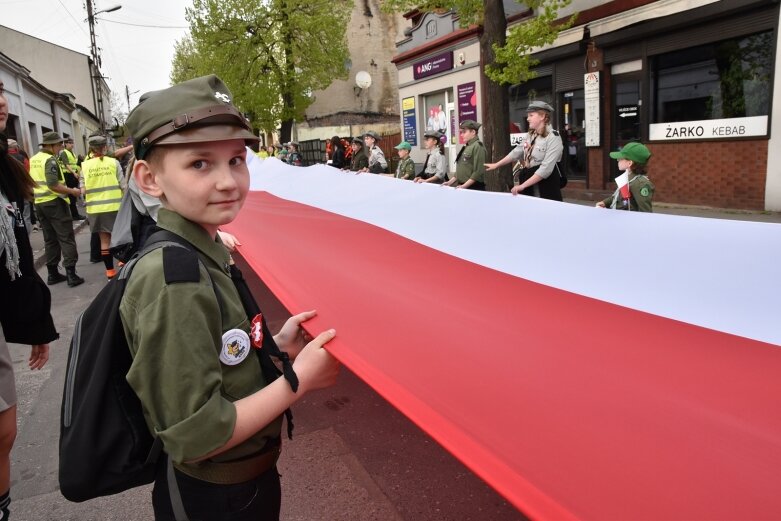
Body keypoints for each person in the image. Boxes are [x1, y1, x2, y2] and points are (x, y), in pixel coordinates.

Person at [122, 74, 340, 520]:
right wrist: (297, 382)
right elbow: (197, 435)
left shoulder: (203, 249)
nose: (228, 181)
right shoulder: (173, 279)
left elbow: (214, 352)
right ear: (150, 178)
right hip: (215, 498)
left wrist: (275, 345)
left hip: (243, 484)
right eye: (199, 164)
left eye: (237, 160)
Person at [0, 77, 57, 521]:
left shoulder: (8, 166)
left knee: (4, 434)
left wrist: (35, 323)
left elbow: (16, 254)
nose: (2, 103)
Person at [29, 131, 84, 287]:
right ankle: (71, 274)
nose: (61, 147)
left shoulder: (34, 159)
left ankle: (52, 274)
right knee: (66, 237)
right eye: (59, 144)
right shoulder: (50, 160)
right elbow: (53, 184)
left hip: (40, 203)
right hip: (55, 203)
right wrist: (72, 191)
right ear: (50, 145)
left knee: (50, 239)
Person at [485, 100, 564, 201]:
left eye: (531, 115)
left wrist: (522, 186)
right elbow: (516, 152)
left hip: (546, 185)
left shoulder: (553, 137)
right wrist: (497, 164)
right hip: (529, 181)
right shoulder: (530, 135)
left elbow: (546, 169)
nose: (527, 119)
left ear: (542, 116)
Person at [80, 134, 123, 278]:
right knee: (119, 237)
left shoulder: (85, 165)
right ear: (105, 147)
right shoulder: (113, 162)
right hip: (115, 206)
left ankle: (110, 272)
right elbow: (123, 185)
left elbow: (83, 189)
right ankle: (123, 262)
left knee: (104, 241)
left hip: (95, 209)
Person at [596, 142, 654, 212]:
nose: (617, 160)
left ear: (629, 163)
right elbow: (619, 197)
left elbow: (645, 212)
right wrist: (605, 203)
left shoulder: (640, 184)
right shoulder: (628, 177)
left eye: (621, 158)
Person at [444, 120, 486, 190]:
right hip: (463, 186)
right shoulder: (467, 146)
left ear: (473, 132)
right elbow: (461, 169)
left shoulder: (478, 146)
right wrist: (449, 182)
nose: (461, 135)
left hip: (473, 187)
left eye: (464, 132)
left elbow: (478, 171)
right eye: (461, 132)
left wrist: (464, 186)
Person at [58, 138, 84, 221]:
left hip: (72, 176)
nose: (72, 144)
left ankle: (74, 214)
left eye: (72, 143)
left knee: (73, 196)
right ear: (66, 144)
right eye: (70, 143)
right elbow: (66, 165)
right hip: (68, 175)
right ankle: (74, 215)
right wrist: (74, 173)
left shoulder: (72, 153)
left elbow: (75, 165)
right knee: (71, 196)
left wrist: (78, 173)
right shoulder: (64, 153)